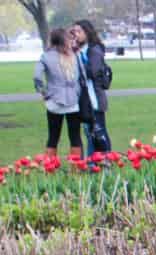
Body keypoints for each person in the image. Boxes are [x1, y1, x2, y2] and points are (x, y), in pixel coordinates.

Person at [33, 28, 82, 162]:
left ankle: (50, 170)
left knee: (53, 137)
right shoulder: (73, 55)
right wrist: (77, 92)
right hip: (73, 100)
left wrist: (43, 92)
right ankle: (76, 170)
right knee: (75, 137)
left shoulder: (46, 56)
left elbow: (37, 77)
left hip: (54, 100)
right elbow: (79, 77)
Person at [73, 20, 110, 155]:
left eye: (79, 32)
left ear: (87, 33)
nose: (76, 35)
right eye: (74, 32)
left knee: (98, 133)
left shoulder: (94, 50)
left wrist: (77, 56)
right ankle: (95, 163)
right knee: (90, 134)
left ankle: (103, 162)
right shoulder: (79, 50)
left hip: (93, 99)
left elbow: (91, 72)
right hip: (84, 100)